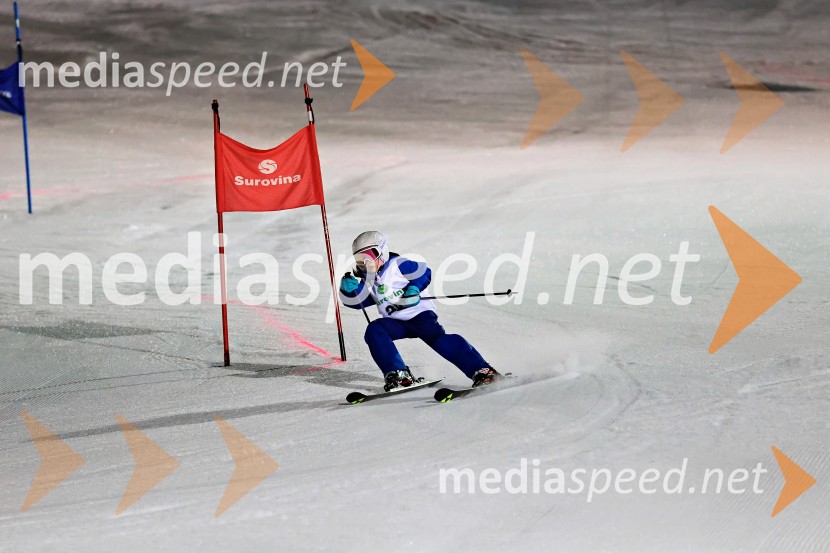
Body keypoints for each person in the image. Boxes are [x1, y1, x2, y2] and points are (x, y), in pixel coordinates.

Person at [339, 230, 501, 391]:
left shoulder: (398, 264)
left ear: (382, 251)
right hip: (395, 322)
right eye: (360, 259)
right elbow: (359, 301)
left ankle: (482, 370)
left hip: (420, 316)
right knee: (375, 330)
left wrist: (414, 289)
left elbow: (423, 272)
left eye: (369, 255)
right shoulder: (368, 279)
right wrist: (349, 291)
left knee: (440, 341)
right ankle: (398, 374)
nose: (365, 262)